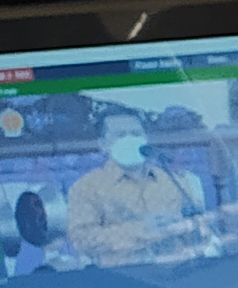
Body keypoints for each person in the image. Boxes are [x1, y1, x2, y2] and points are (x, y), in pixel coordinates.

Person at [59, 101, 200, 264]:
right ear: (103, 144)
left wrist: (181, 225)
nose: (129, 139)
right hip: (122, 275)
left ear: (145, 138)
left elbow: (199, 228)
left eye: (136, 133)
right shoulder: (86, 187)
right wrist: (142, 229)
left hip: (179, 270)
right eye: (120, 135)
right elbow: (82, 240)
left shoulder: (172, 180)